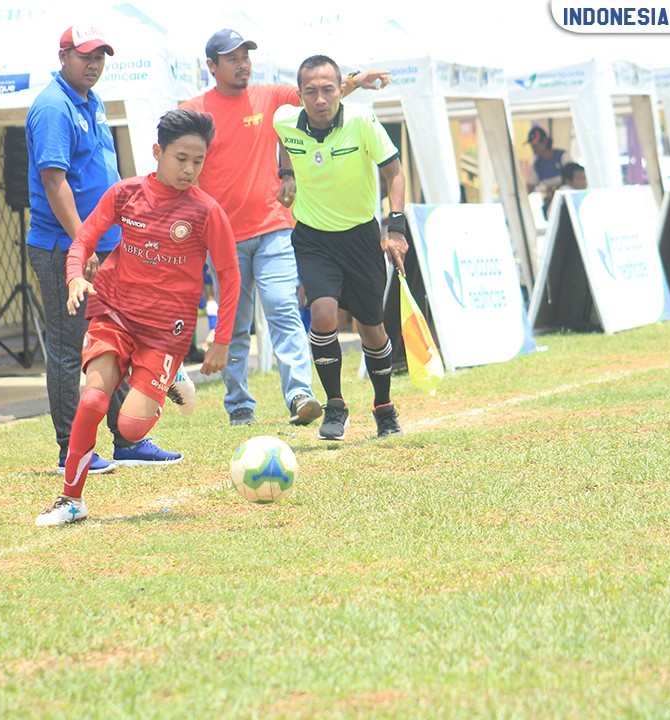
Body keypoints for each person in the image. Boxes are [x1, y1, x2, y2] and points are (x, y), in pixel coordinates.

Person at [36, 109, 239, 526]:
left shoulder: (205, 211)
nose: (189, 169)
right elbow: (84, 239)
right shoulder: (125, 194)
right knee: (93, 398)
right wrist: (75, 277)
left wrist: (221, 339)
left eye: (198, 161)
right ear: (157, 152)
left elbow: (229, 274)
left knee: (129, 429)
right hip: (115, 311)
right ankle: (70, 500)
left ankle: (168, 378)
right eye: (181, 158)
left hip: (166, 332)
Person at [179, 29, 389, 428]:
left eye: (246, 56)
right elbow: (176, 156)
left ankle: (298, 395)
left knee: (284, 310)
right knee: (235, 325)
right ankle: (240, 404)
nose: (243, 64)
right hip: (223, 236)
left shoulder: (270, 98)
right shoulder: (195, 111)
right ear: (211, 66)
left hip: (274, 227)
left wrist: (356, 79)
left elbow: (320, 97)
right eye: (232, 58)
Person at [26, 25, 182, 473]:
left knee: (114, 343)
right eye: (85, 56)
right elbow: (55, 183)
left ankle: (127, 439)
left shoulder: (91, 102)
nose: (93, 65)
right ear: (63, 57)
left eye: (100, 57)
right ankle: (69, 449)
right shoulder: (54, 107)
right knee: (68, 347)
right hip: (65, 249)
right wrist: (83, 241)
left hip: (108, 246)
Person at [273, 54, 407, 441]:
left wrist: (394, 227)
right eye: (310, 91)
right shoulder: (284, 119)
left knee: (372, 329)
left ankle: (383, 405)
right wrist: (286, 173)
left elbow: (394, 172)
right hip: (313, 237)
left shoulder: (362, 121)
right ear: (299, 95)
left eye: (328, 90)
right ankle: (336, 405)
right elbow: (284, 141)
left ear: (339, 92)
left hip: (361, 237)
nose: (320, 99)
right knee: (323, 314)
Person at [525, 126, 567, 216]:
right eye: (532, 145)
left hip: (566, 201)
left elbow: (574, 177)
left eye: (537, 144)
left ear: (545, 141)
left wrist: (557, 189)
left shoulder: (562, 156)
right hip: (550, 203)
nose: (534, 148)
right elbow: (529, 187)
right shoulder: (537, 165)